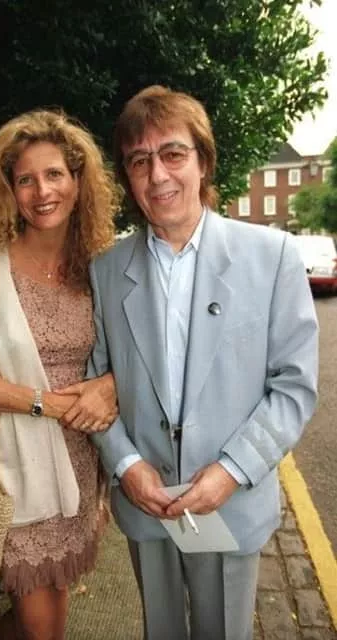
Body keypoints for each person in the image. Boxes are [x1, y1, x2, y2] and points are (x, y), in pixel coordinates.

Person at [87, 85, 319, 640]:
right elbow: (93, 382)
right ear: (128, 178)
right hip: (146, 501)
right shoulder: (105, 270)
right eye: (139, 161)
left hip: (230, 504)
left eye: (173, 154)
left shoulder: (272, 257)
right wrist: (126, 465)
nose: (158, 175)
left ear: (203, 162)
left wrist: (231, 471)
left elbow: (294, 386)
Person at [0, 108, 121, 640]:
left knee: (48, 602)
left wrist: (109, 386)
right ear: (8, 190)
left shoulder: (98, 265)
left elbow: (133, 355)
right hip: (12, 470)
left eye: (54, 174)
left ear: (78, 182)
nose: (42, 191)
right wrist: (46, 403)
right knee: (43, 627)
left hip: (80, 464)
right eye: (25, 179)